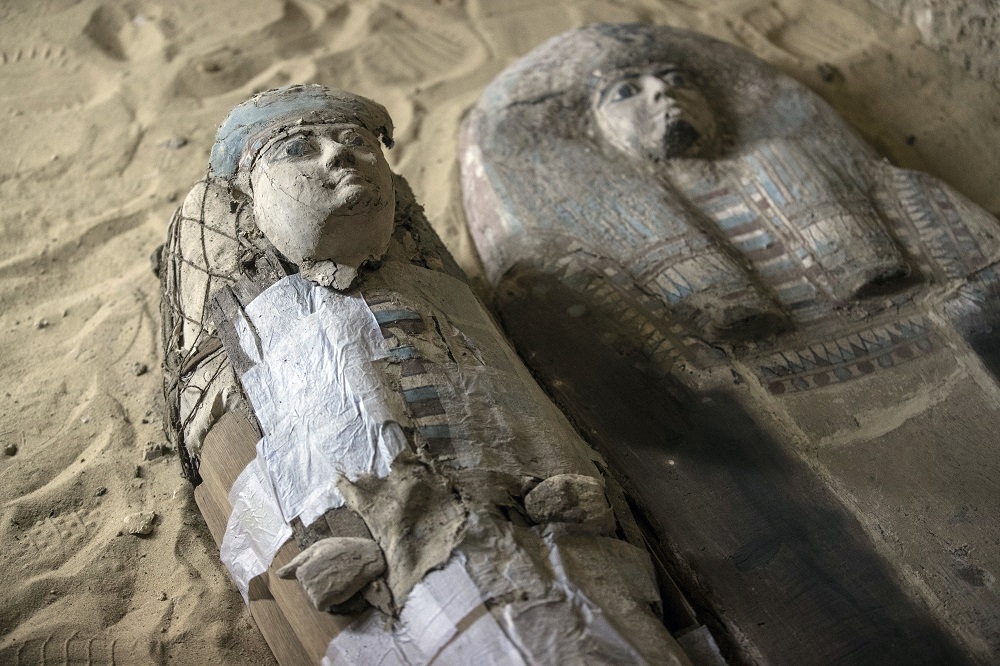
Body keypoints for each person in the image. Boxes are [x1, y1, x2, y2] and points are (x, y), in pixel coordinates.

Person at [462, 23, 1000, 664]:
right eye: (627, 91)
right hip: (789, 496)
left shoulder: (900, 197)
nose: (663, 96)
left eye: (678, 79)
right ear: (591, 134)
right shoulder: (581, 276)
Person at [162, 84, 695, 665]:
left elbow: (514, 412)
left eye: (355, 142)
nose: (339, 157)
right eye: (297, 151)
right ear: (253, 199)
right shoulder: (263, 319)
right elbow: (279, 468)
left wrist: (572, 495)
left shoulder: (438, 297)